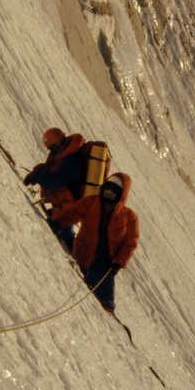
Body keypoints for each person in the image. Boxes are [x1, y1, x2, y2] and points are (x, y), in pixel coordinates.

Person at [51, 173, 139, 313]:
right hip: (84, 252)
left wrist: (119, 261)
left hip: (107, 261)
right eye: (108, 188)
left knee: (104, 283)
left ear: (121, 195)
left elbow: (130, 242)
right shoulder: (91, 202)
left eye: (114, 191)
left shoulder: (129, 217)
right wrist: (59, 222)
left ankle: (107, 304)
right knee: (85, 268)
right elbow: (73, 213)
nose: (109, 193)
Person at [23, 128, 86, 250]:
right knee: (58, 194)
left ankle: (68, 235)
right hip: (69, 196)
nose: (53, 150)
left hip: (74, 198)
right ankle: (59, 222)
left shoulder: (72, 158)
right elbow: (49, 168)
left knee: (60, 194)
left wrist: (38, 176)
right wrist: (35, 174)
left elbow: (56, 182)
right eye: (51, 148)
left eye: (54, 146)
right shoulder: (63, 153)